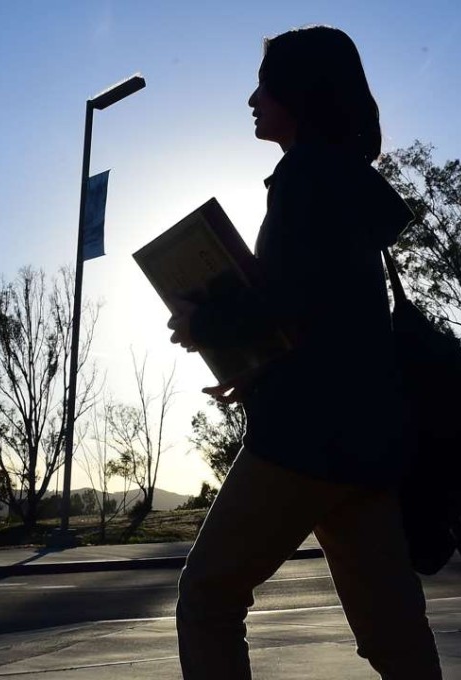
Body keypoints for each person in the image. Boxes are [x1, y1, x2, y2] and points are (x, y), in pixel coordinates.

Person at [166, 25, 442, 680]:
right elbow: (325, 312)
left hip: (304, 439)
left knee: (207, 597)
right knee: (394, 636)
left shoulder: (304, 180)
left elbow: (286, 303)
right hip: (365, 442)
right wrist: (242, 357)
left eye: (265, 85)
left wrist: (206, 319)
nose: (252, 99)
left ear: (298, 91)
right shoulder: (345, 180)